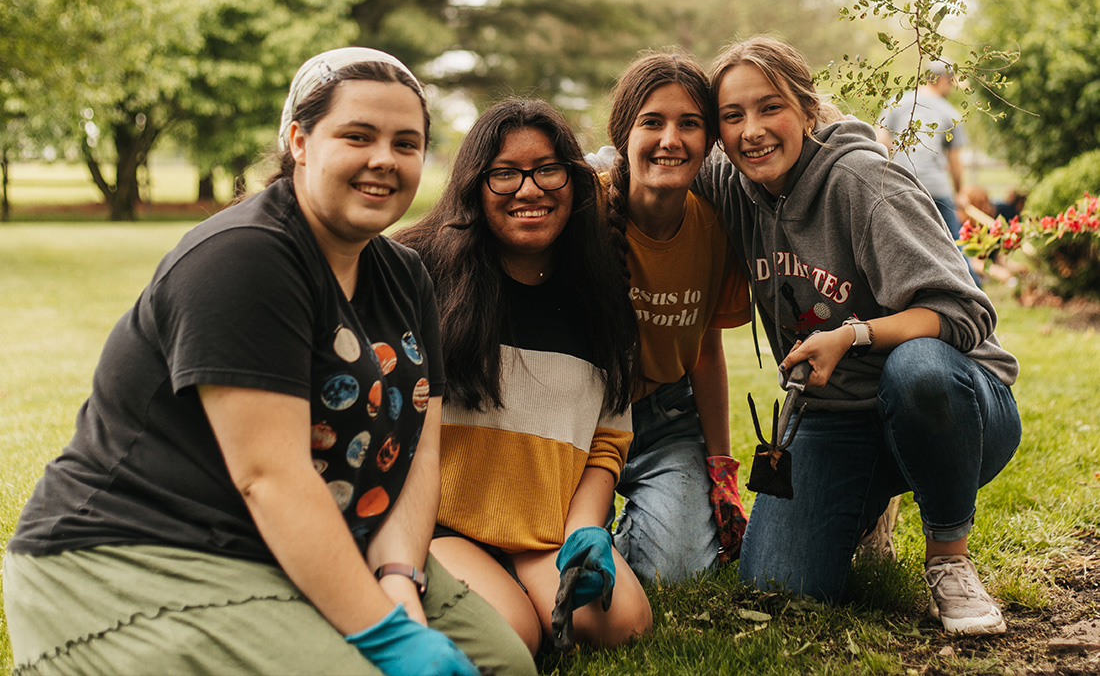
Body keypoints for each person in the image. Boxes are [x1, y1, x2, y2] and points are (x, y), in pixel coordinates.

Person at [2, 48, 534, 675]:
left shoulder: (406, 274)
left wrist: (399, 581)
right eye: (357, 136)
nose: (384, 159)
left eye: (406, 142)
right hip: (143, 551)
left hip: (320, 538)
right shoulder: (244, 257)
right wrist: (387, 636)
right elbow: (270, 479)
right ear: (300, 141)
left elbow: (417, 449)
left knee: (506, 665)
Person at [694, 36, 1022, 636]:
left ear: (807, 109)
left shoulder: (862, 182)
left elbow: (964, 313)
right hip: (836, 417)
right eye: (732, 116)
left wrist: (853, 336)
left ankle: (949, 557)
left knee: (918, 368)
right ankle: (866, 506)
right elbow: (647, 156)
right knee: (776, 583)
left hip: (957, 406)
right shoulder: (731, 183)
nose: (752, 130)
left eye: (771, 107)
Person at [396, 99, 652, 654]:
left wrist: (588, 529)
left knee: (622, 626)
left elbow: (609, 439)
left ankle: (513, 580)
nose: (529, 189)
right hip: (441, 524)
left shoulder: (602, 296)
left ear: (574, 180)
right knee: (515, 636)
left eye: (547, 170)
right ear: (474, 185)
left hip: (542, 528)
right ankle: (490, 590)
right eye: (504, 174)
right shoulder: (417, 274)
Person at [601, 52, 752, 584]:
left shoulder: (716, 229)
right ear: (623, 133)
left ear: (709, 141)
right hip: (581, 415)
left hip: (666, 418)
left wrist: (721, 469)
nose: (671, 139)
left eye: (689, 124)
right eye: (652, 122)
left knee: (680, 572)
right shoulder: (583, 214)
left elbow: (707, 351)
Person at [876, 59, 968, 239]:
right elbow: (955, 161)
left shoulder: (897, 101)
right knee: (954, 249)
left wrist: (901, 157)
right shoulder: (951, 113)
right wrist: (959, 193)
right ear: (943, 81)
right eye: (951, 84)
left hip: (902, 186)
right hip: (937, 191)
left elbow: (880, 140)